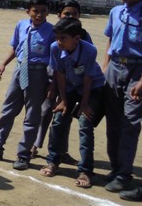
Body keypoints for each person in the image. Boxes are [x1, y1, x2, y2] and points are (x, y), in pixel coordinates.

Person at [0, 0, 54, 170]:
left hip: (38, 73)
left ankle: (23, 155)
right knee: (7, 110)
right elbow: (16, 47)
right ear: (28, 11)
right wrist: (3, 64)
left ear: (48, 12)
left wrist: (51, 82)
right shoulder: (21, 25)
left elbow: (54, 59)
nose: (39, 15)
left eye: (43, 11)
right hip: (19, 70)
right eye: (35, 11)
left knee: (32, 115)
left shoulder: (52, 32)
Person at [39, 18, 105, 188]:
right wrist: (63, 101)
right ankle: (53, 161)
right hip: (69, 87)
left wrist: (84, 104)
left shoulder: (89, 50)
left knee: (85, 123)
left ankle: (85, 170)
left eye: (63, 38)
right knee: (59, 119)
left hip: (91, 88)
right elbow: (60, 74)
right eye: (57, 38)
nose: (58, 42)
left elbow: (88, 78)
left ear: (76, 38)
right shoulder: (55, 48)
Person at [31, 0, 92, 162]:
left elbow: (87, 62)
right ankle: (34, 145)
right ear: (59, 15)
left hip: (72, 82)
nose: (71, 16)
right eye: (67, 14)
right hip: (55, 78)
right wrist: (52, 85)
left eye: (74, 14)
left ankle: (61, 151)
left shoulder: (83, 35)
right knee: (46, 110)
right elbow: (54, 64)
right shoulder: (55, 33)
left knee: (65, 115)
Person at [102, 0, 142, 199]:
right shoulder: (115, 12)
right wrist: (105, 67)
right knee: (113, 122)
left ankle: (124, 173)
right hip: (115, 68)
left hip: (137, 70)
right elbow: (110, 39)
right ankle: (116, 168)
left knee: (130, 123)